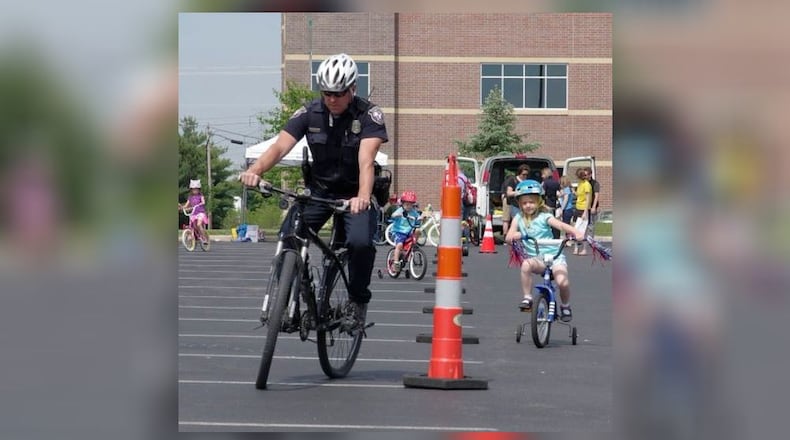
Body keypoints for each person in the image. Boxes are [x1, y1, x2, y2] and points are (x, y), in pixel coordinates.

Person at [240, 53, 388, 330]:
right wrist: (256, 170)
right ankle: (287, 301)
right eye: (326, 93)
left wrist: (363, 197)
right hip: (318, 191)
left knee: (360, 244)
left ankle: (357, 301)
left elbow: (367, 160)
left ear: (353, 89)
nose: (331, 99)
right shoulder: (309, 113)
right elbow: (279, 147)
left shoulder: (369, 115)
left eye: (338, 93)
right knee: (289, 237)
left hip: (353, 195)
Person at [505, 180, 585, 321]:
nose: (528, 205)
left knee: (563, 282)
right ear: (519, 205)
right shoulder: (518, 218)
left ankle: (565, 306)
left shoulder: (544, 216)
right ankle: (527, 298)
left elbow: (560, 225)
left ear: (539, 201)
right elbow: (509, 236)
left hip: (555, 257)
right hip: (537, 258)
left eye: (531, 202)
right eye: (524, 203)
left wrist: (575, 232)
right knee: (526, 265)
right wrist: (515, 235)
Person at [388, 190, 424, 271]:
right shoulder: (400, 210)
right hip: (399, 232)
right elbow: (393, 215)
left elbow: (418, 217)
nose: (409, 207)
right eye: (407, 204)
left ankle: (413, 244)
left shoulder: (413, 212)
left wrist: (421, 217)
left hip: (409, 232)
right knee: (399, 245)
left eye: (411, 205)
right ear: (402, 204)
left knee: (418, 230)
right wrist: (397, 215)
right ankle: (396, 262)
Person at [502, 164, 531, 237]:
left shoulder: (526, 182)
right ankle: (507, 235)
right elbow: (509, 193)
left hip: (521, 204)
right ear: (519, 173)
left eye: (526, 175)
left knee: (523, 220)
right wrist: (519, 192)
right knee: (511, 220)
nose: (525, 176)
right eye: (523, 174)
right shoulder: (513, 180)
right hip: (512, 203)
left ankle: (520, 235)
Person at [178, 179, 209, 245]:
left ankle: (204, 238)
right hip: (193, 213)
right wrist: (181, 207)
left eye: (196, 189)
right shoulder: (190, 197)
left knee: (199, 224)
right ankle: (195, 236)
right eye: (193, 189)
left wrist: (201, 203)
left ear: (199, 189)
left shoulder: (201, 196)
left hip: (200, 213)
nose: (195, 190)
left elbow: (203, 202)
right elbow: (186, 205)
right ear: (191, 190)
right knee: (193, 226)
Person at [573, 167, 593, 255]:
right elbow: (578, 195)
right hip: (578, 207)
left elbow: (588, 199)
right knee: (575, 228)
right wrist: (573, 191)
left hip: (583, 209)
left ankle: (584, 249)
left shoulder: (587, 185)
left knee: (583, 230)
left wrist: (585, 212)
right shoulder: (580, 183)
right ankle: (576, 247)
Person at [540, 167, 561, 239]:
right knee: (555, 220)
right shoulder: (556, 182)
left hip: (547, 202)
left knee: (547, 219)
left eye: (542, 174)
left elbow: (542, 193)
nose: (541, 176)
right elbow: (559, 192)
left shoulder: (545, 183)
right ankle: (556, 236)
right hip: (554, 202)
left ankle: (548, 236)